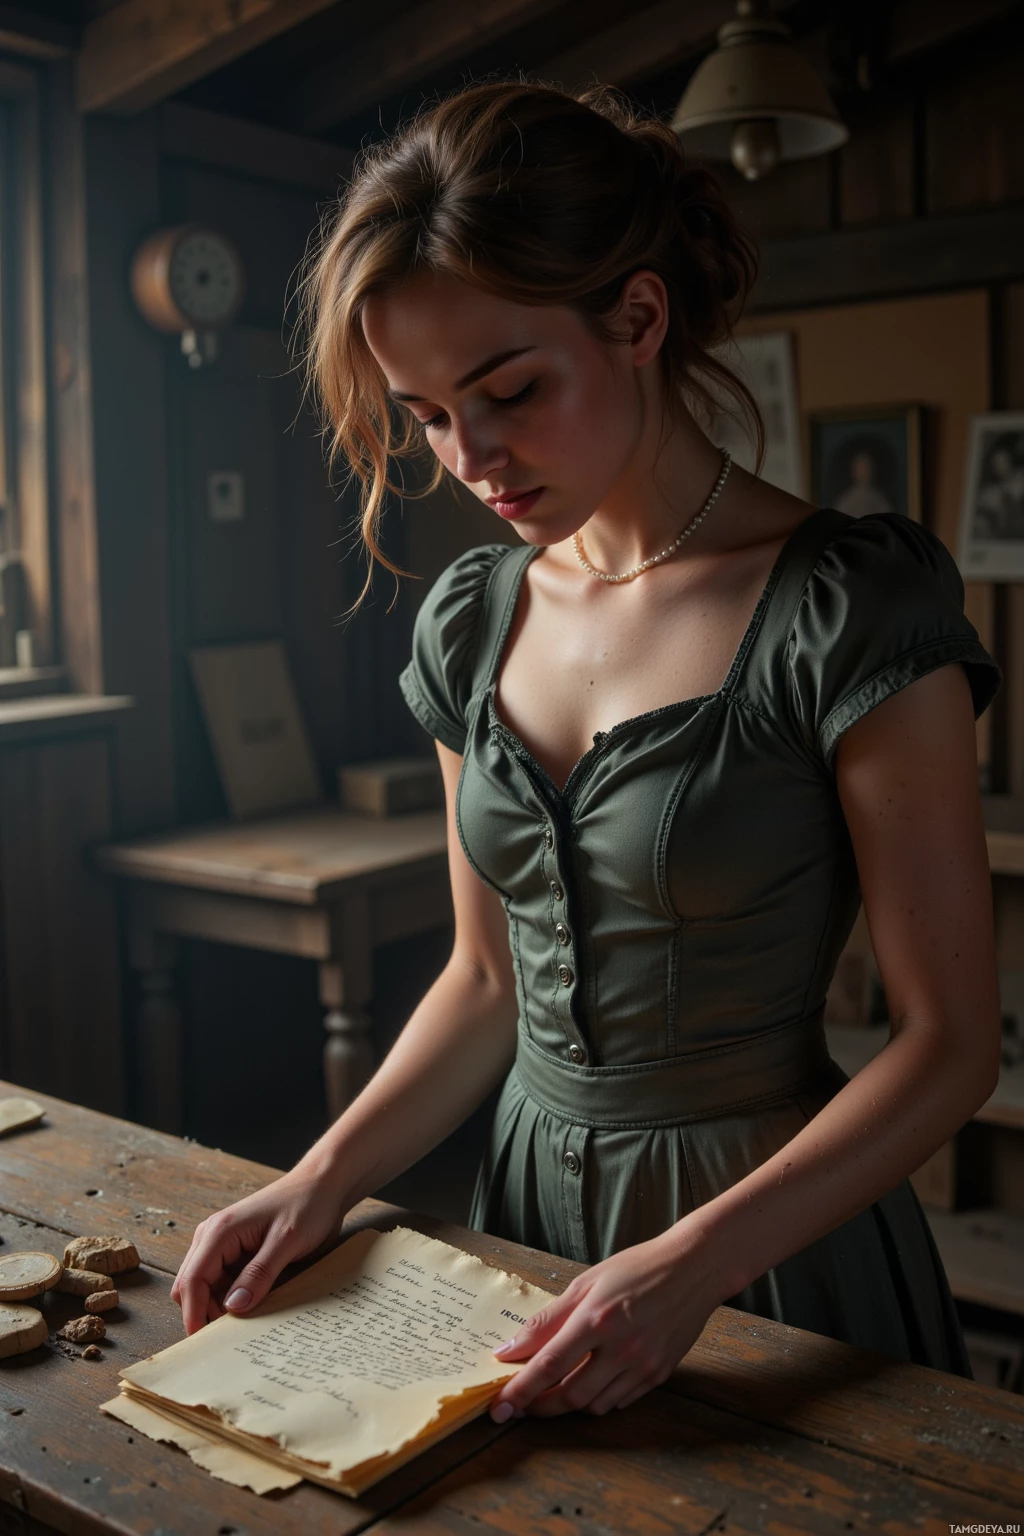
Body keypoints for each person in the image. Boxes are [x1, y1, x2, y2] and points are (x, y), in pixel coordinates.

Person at [171, 81, 1004, 1422]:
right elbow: (483, 980)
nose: (471, 456)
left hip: (763, 1239)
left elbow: (951, 1044)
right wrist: (315, 1179)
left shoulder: (847, 607)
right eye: (429, 414)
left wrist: (691, 1266)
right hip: (526, 1216)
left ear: (637, 318)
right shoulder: (474, 621)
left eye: (508, 390)